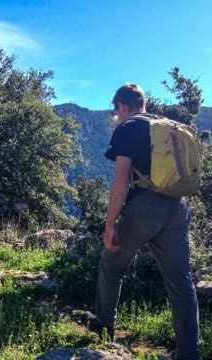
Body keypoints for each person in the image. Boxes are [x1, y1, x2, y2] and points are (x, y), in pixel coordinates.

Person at [92, 83, 200, 358]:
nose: (115, 116)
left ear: (123, 105)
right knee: (181, 284)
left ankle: (104, 330)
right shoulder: (167, 126)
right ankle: (189, 354)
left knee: (111, 264)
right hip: (177, 206)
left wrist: (110, 224)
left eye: (115, 110)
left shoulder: (128, 128)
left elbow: (120, 179)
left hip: (145, 206)